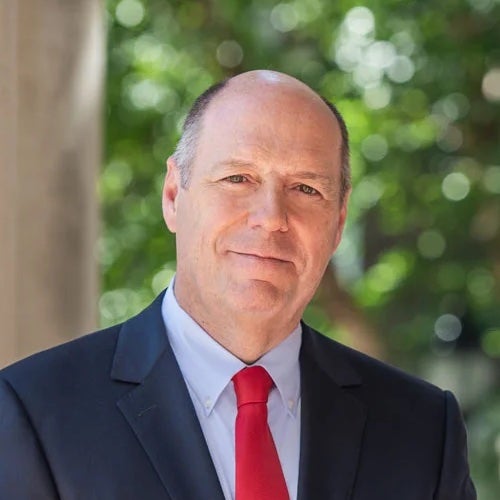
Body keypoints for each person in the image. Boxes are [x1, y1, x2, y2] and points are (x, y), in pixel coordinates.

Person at [0, 70, 475, 499]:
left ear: (339, 221)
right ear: (172, 195)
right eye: (237, 178)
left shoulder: (424, 431)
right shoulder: (35, 413)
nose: (271, 218)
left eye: (306, 189)